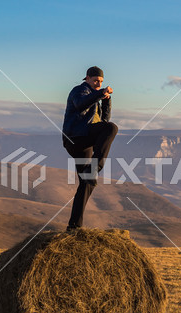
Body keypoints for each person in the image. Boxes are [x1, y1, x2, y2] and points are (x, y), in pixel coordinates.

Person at [62, 66, 118, 231]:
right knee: (112, 128)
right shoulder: (79, 91)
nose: (98, 84)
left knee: (88, 182)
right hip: (76, 138)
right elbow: (80, 105)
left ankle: (74, 226)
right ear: (87, 78)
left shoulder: (96, 96)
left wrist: (106, 101)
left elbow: (103, 122)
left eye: (100, 81)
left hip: (86, 142)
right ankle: (96, 166)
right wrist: (100, 94)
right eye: (95, 80)